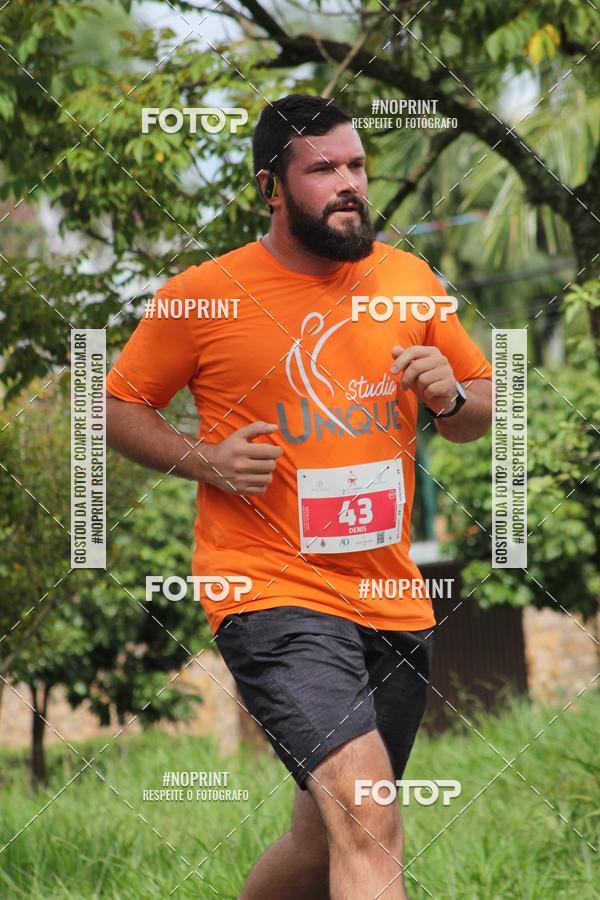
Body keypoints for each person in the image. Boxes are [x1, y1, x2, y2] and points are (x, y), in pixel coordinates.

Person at [106, 93, 492, 899]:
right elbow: (111, 407)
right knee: (370, 808)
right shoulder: (203, 296)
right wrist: (204, 459)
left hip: (390, 598)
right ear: (271, 188)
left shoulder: (409, 279)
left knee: (324, 838)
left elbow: (484, 407)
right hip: (270, 588)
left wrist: (452, 397)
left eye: (356, 165)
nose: (350, 182)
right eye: (324, 169)